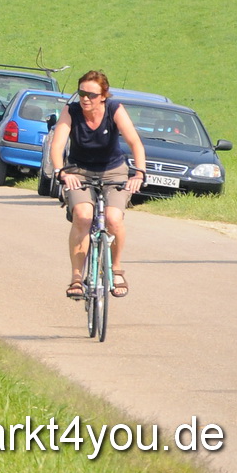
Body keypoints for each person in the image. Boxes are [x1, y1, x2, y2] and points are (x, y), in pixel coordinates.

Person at [45, 70, 147, 301]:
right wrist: (61, 171)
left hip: (113, 170)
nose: (85, 98)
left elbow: (134, 142)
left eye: (91, 94)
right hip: (78, 171)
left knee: (113, 218)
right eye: (81, 93)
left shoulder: (114, 110)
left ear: (103, 96)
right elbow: (57, 144)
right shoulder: (71, 111)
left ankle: (116, 269)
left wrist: (139, 172)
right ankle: (76, 277)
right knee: (83, 215)